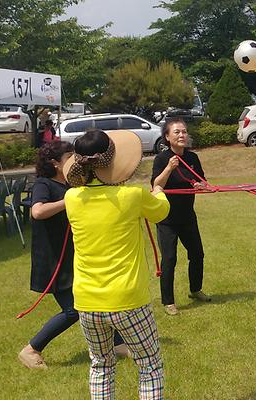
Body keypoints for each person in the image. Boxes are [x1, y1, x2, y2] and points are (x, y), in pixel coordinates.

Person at [64, 129, 171, 399]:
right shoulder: (131, 196)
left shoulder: (72, 199)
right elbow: (161, 211)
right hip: (128, 299)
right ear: (112, 162)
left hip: (87, 301)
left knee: (101, 365)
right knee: (149, 364)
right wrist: (158, 190)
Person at [18, 141, 129, 370]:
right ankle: (31, 350)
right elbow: (37, 211)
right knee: (74, 310)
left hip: (74, 256)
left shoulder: (71, 182)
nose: (74, 160)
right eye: (69, 156)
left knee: (96, 300)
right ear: (55, 162)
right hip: (53, 260)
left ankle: (117, 344)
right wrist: (66, 201)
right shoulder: (43, 184)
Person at [151, 118, 210, 316]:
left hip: (187, 216)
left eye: (184, 131)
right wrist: (169, 168)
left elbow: (203, 181)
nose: (182, 135)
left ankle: (195, 289)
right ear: (167, 137)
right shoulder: (161, 159)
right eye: (177, 132)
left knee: (197, 254)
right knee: (169, 258)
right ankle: (168, 301)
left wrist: (200, 185)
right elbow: (156, 186)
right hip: (167, 219)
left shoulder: (193, 157)